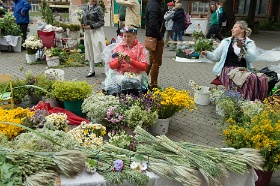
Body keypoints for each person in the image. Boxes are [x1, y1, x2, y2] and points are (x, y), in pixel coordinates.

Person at [201, 20, 268, 101]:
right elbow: (216, 57)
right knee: (249, 78)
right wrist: (207, 54)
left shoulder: (249, 43)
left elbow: (251, 58)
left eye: (235, 27)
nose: (232, 29)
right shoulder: (226, 42)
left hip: (243, 70)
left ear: (242, 30)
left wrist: (242, 49)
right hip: (228, 70)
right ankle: (243, 102)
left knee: (261, 78)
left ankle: (251, 102)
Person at [103, 26, 148, 95]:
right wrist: (118, 62)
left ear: (135, 36)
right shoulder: (119, 47)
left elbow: (144, 67)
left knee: (134, 82)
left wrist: (131, 61)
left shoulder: (140, 48)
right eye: (125, 36)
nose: (127, 39)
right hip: (120, 75)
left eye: (129, 36)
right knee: (125, 82)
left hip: (136, 75)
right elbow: (111, 66)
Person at [82, 0, 106, 78]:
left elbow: (101, 22)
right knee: (90, 49)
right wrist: (82, 24)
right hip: (87, 32)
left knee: (100, 49)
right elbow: (82, 18)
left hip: (96, 31)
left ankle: (107, 70)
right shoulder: (84, 7)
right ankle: (91, 70)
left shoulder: (98, 8)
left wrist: (91, 26)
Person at [145, 0, 164, 89]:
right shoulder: (154, 5)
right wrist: (159, 37)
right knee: (156, 62)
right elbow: (153, 23)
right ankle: (153, 85)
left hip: (151, 36)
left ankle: (143, 81)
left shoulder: (151, 3)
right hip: (155, 37)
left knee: (151, 61)